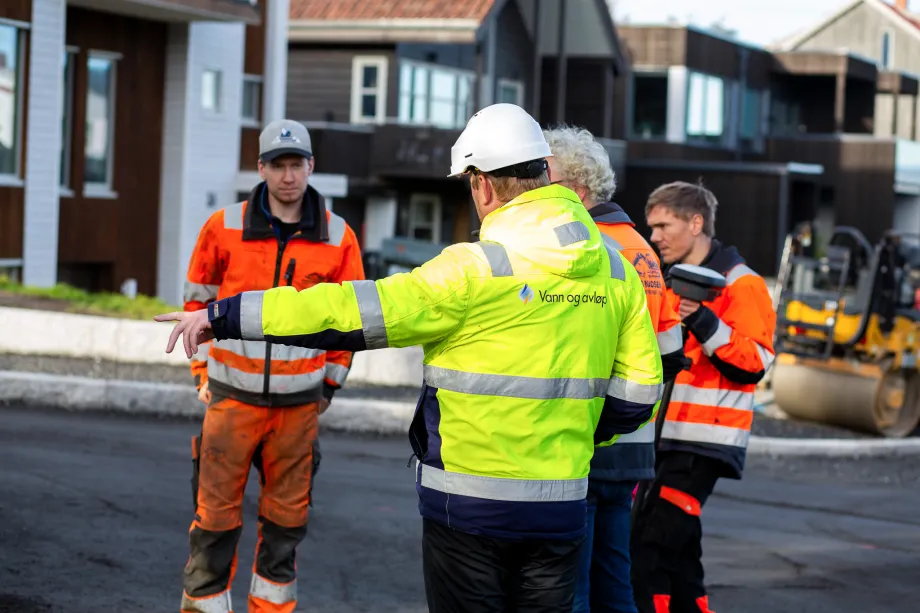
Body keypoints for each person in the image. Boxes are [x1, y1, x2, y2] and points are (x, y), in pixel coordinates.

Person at [156, 103, 664, 613]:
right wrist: (575, 429)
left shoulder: (473, 269)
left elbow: (345, 310)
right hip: (560, 506)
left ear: (481, 185)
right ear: (546, 172)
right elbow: (641, 389)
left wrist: (224, 316)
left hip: (468, 511)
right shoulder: (616, 271)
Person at [177, 119, 366, 613]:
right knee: (213, 520)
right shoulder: (225, 227)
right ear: (261, 169)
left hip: (298, 407)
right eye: (278, 165)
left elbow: (351, 321)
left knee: (285, 527)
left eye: (296, 164)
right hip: (231, 400)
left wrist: (329, 384)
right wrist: (202, 375)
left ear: (310, 167)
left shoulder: (339, 237)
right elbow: (196, 303)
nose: (288, 176)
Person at [543, 125, 686, 613]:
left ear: (578, 191)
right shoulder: (641, 249)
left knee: (573, 584)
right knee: (614, 575)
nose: (537, 190)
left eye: (548, 179)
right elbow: (669, 352)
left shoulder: (583, 249)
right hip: (633, 441)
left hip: (588, 433)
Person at [630, 181, 777, 613]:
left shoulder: (741, 284)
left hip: (702, 445)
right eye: (651, 226)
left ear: (696, 223)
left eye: (663, 225)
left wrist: (705, 322)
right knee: (678, 559)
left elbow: (755, 362)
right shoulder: (670, 281)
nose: (654, 236)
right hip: (663, 439)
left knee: (648, 549)